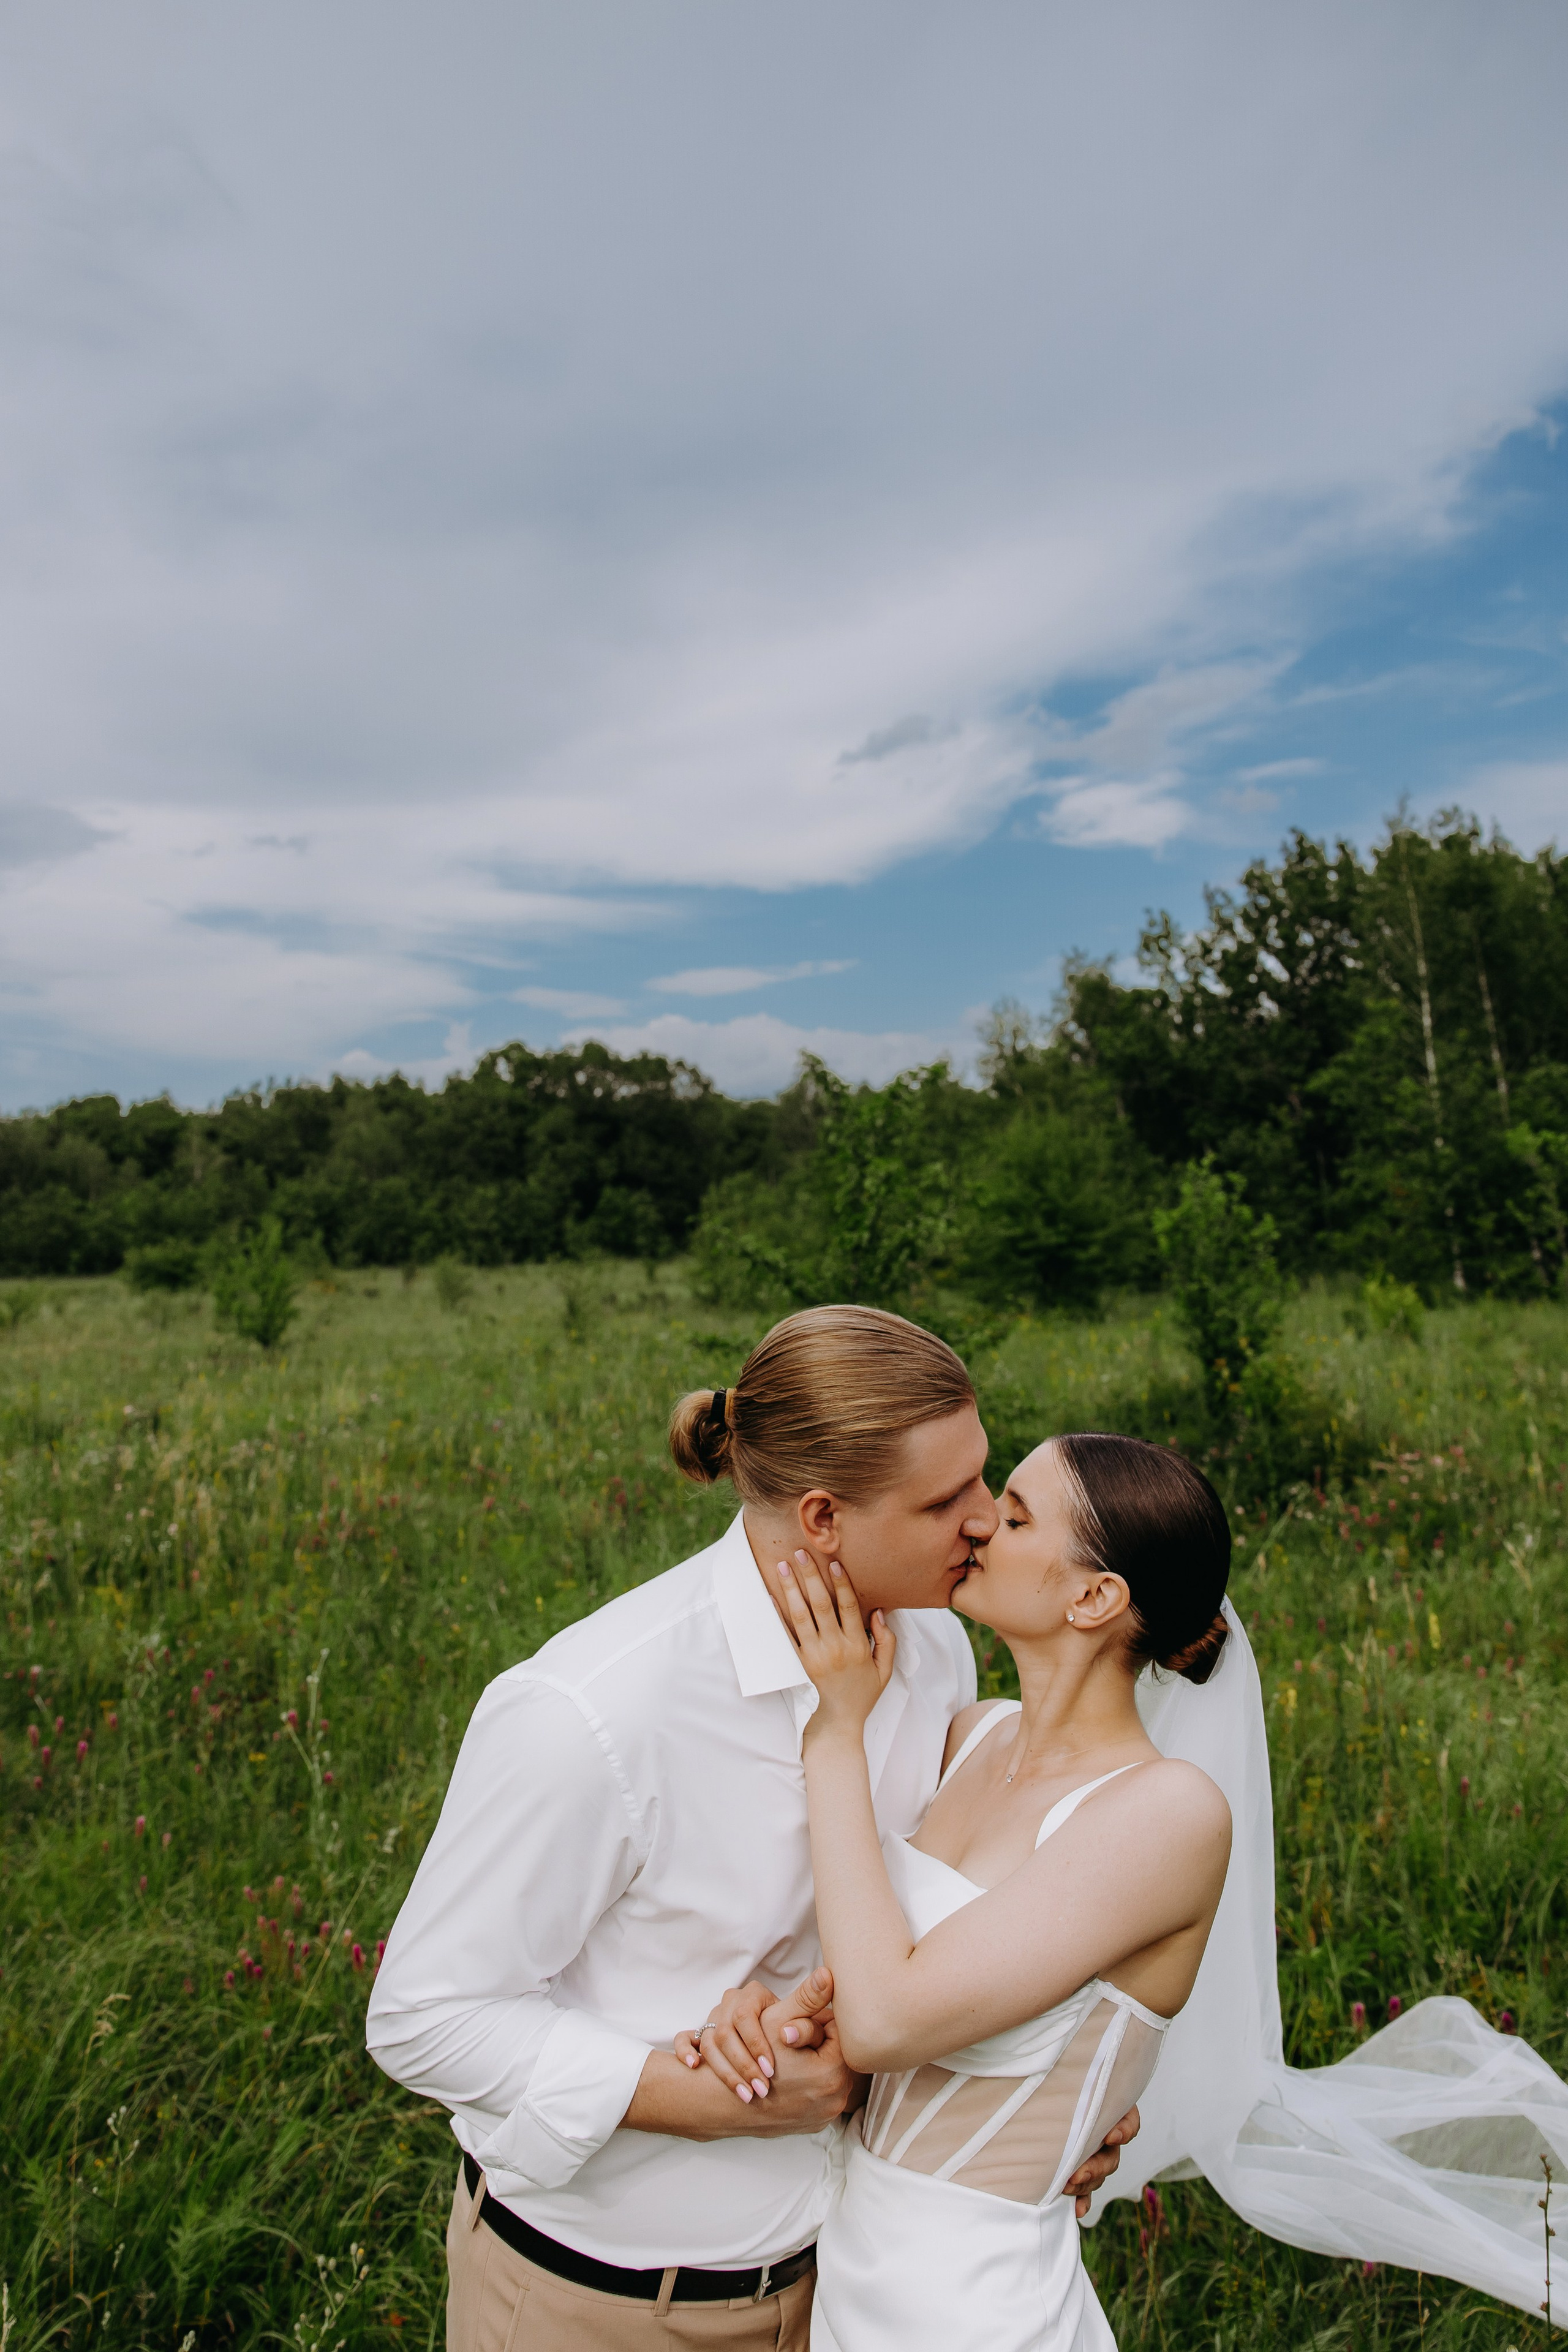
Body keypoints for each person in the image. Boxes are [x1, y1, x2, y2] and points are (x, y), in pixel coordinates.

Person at [366, 1306, 1136, 2352]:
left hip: (854, 2293)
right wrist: (707, 2095)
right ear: (822, 1518)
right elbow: (424, 2015)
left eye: (983, 1480)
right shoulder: (592, 1713)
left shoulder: (936, 1652)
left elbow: (936, 1936)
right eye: (944, 1499)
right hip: (605, 2306)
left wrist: (1048, 2108)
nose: (983, 1522)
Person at [682, 1430, 1232, 2352]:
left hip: (975, 2306)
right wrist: (771, 2007)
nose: (979, 1526)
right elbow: (866, 1958)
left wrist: (835, 1733)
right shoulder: (972, 1736)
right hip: (847, 2263)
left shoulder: (1168, 1812)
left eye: (1015, 1517)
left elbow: (888, 2021)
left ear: (1096, 1597)